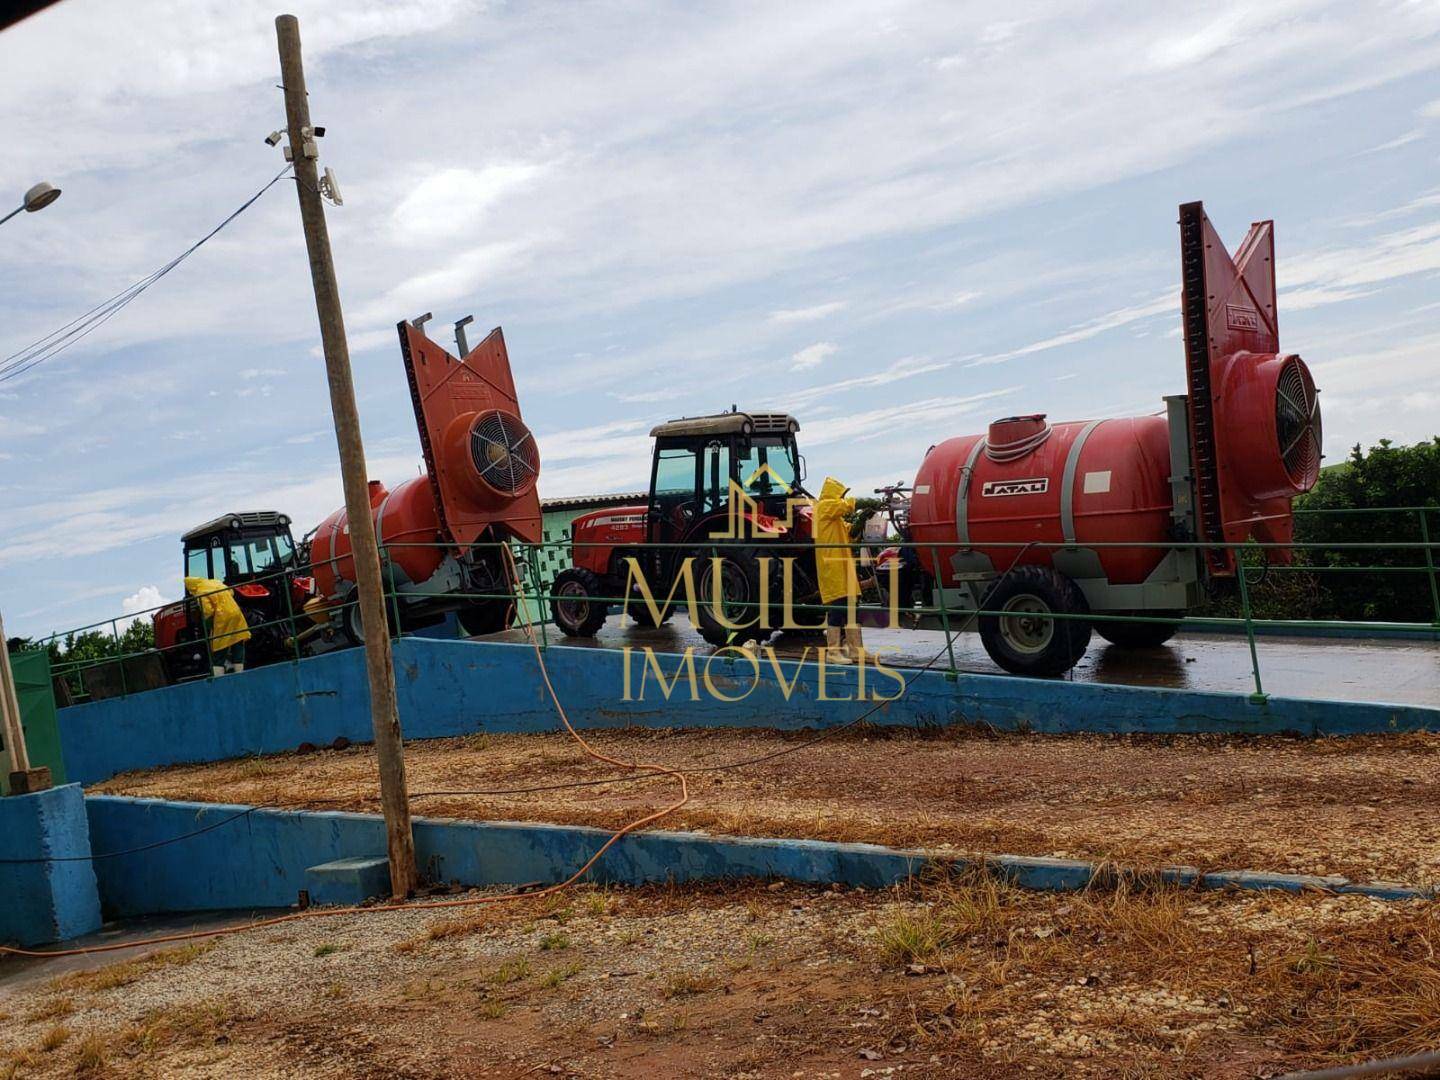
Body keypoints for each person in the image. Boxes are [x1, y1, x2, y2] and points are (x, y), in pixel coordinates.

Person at [813, 476, 864, 664]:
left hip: (844, 568)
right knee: (837, 608)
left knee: (852, 608)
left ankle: (855, 650)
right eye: (840, 494)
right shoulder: (823, 507)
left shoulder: (836, 519)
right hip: (832, 569)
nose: (842, 498)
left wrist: (861, 520)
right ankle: (833, 652)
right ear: (833, 495)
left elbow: (850, 535)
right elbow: (845, 506)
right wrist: (864, 502)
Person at [183, 577, 251, 676]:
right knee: (238, 642)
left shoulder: (200, 592)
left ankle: (219, 676)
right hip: (236, 613)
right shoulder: (215, 582)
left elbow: (208, 611)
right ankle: (240, 673)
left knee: (219, 646)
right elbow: (231, 592)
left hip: (222, 618)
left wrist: (208, 624)